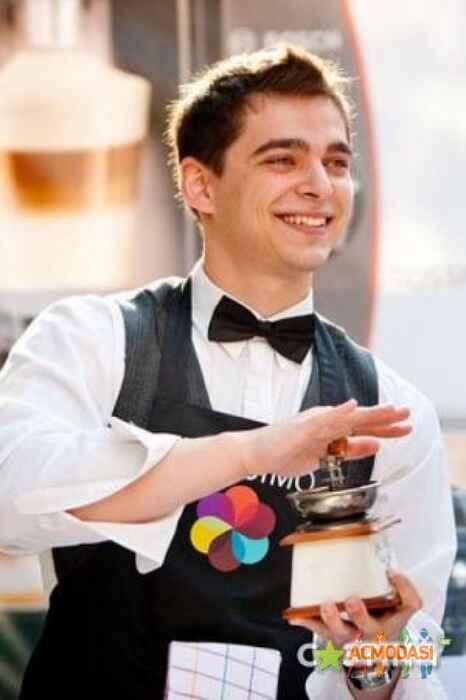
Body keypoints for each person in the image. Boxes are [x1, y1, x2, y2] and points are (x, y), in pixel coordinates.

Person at [0, 45, 456, 699]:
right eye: (283, 159)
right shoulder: (93, 340)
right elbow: (11, 496)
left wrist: (374, 663)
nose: (320, 185)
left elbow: (412, 662)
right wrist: (253, 452)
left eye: (336, 162)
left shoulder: (388, 409)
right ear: (200, 185)